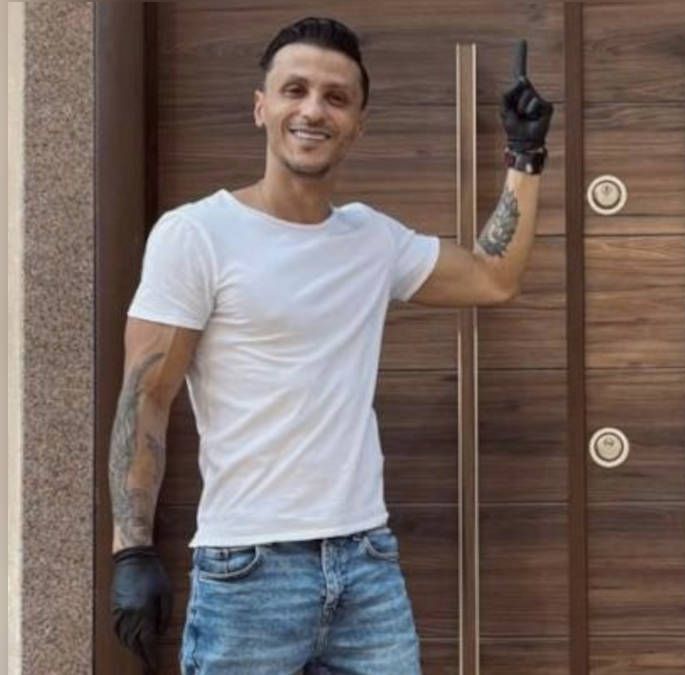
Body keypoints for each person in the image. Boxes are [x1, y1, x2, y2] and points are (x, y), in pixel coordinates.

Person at [107, 17, 552, 674]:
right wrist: (131, 551)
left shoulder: (371, 239)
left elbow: (493, 278)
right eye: (295, 90)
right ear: (261, 107)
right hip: (247, 571)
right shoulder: (196, 234)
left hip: (366, 565)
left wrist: (524, 156)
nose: (314, 110)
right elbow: (146, 396)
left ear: (358, 124)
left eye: (336, 97)